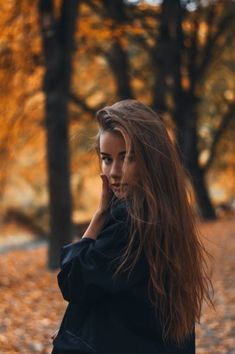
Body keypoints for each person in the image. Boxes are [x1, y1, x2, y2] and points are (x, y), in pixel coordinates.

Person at [51, 99, 213, 354]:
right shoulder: (167, 214)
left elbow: (73, 281)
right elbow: (125, 303)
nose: (114, 172)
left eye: (127, 158)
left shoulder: (129, 221)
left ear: (150, 160)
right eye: (106, 159)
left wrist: (99, 214)